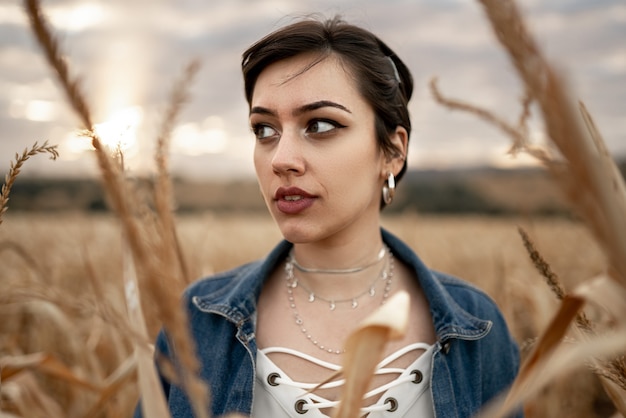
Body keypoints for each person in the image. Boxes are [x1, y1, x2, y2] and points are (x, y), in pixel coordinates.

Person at [135, 15, 521, 418]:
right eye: (264, 130)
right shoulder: (198, 323)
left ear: (392, 151)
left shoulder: (478, 329)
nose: (281, 159)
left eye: (320, 125)